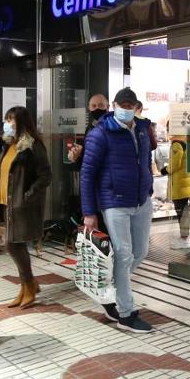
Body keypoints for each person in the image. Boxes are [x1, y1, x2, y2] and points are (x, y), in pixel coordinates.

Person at [80, 87, 156, 332]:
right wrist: (90, 213)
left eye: (130, 105)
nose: (125, 109)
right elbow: (87, 175)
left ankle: (111, 289)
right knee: (123, 254)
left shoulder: (143, 130)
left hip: (141, 200)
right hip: (114, 202)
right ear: (114, 105)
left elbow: (145, 162)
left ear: (136, 107)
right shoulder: (100, 133)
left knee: (140, 252)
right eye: (121, 105)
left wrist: (149, 187)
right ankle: (126, 312)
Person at [0, 106, 51, 309]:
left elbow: (45, 176)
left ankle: (29, 285)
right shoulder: (9, 144)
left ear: (22, 122)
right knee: (13, 244)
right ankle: (27, 285)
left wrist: (27, 196)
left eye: (11, 119)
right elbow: (5, 170)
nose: (7, 123)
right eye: (6, 119)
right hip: (5, 202)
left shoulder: (32, 145)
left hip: (21, 204)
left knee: (13, 244)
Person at [165, 133, 190, 250]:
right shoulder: (187, 142)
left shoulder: (177, 144)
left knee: (181, 212)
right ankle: (186, 238)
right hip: (186, 182)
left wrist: (165, 169)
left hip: (179, 184)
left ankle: (184, 239)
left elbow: (175, 164)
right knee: (184, 211)